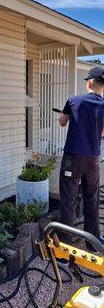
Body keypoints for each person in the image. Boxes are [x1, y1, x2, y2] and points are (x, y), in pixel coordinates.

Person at [59, 66, 104, 252]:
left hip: (73, 158)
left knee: (68, 200)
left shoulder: (73, 100)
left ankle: (64, 247)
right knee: (92, 199)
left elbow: (62, 122)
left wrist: (69, 117)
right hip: (93, 159)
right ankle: (93, 244)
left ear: (90, 82)